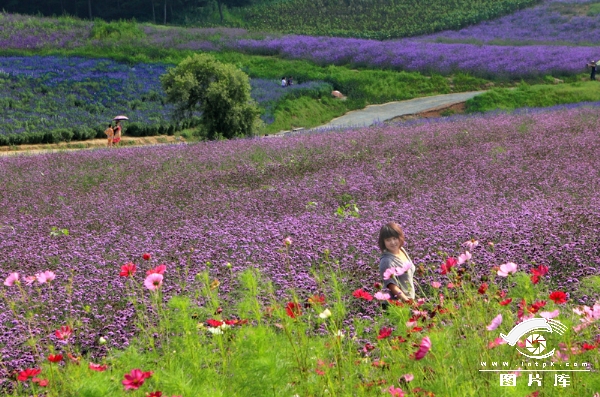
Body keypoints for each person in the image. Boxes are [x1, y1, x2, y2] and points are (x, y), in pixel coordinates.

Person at [378, 222, 416, 304]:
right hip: (395, 305)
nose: (392, 242)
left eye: (394, 238)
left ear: (400, 238)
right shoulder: (386, 261)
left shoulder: (402, 250)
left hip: (407, 300)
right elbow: (392, 286)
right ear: (383, 242)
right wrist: (408, 302)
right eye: (388, 240)